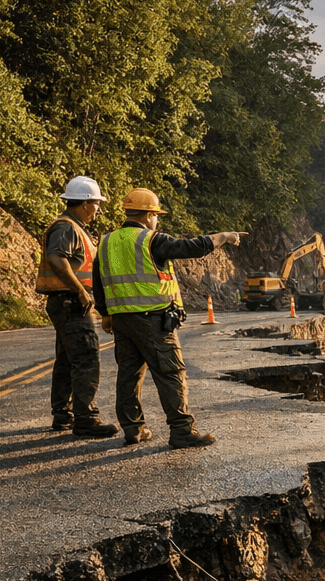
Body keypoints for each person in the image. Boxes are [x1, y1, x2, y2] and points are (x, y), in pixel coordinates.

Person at [92, 189, 244, 449]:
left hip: (121, 320)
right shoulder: (150, 239)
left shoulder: (107, 242)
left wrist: (105, 312)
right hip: (152, 319)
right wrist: (223, 237)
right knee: (171, 373)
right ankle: (182, 430)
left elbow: (98, 280)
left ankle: (133, 429)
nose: (157, 221)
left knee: (129, 375)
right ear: (149, 214)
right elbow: (188, 247)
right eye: (156, 216)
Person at [36, 176, 116, 438]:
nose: (99, 209)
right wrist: (80, 290)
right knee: (85, 357)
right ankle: (85, 418)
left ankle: (63, 415)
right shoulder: (67, 228)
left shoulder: (74, 227)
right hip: (71, 303)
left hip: (66, 302)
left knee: (67, 360)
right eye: (96, 204)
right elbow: (56, 258)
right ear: (84, 203)